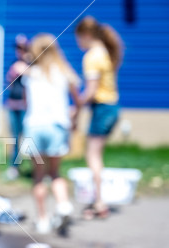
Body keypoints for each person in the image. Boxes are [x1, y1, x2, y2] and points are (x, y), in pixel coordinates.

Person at [22, 34, 80, 234]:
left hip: (35, 126)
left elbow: (26, 103)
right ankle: (63, 205)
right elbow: (76, 100)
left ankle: (43, 219)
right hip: (57, 126)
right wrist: (75, 118)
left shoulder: (31, 73)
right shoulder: (64, 72)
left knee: (38, 175)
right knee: (55, 173)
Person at [74, 16, 124, 219]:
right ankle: (98, 199)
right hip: (111, 107)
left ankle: (99, 202)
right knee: (97, 155)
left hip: (102, 108)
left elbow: (91, 91)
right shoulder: (105, 52)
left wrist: (76, 107)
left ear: (85, 36)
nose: (78, 44)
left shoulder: (92, 56)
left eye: (78, 39)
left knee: (92, 156)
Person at [4, 34, 30, 180]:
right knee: (14, 138)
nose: (19, 51)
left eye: (22, 48)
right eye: (17, 48)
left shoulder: (32, 64)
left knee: (30, 138)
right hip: (13, 105)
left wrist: (26, 68)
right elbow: (9, 84)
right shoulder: (13, 64)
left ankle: (38, 168)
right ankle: (13, 167)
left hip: (26, 107)